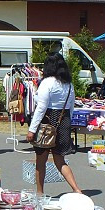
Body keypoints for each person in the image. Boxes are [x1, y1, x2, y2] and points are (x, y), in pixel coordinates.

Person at [26, 53, 83, 198]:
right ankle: (76, 189)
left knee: (41, 161)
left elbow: (41, 107)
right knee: (60, 159)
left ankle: (40, 193)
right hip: (63, 121)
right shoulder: (68, 84)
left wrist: (32, 129)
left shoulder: (47, 82)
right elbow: (71, 107)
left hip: (47, 122)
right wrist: (67, 124)